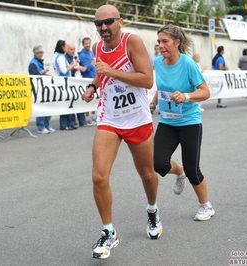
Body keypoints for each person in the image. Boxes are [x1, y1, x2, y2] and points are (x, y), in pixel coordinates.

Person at [82, 4, 161, 259]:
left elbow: (147, 80)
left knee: (147, 174)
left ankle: (152, 210)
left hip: (137, 118)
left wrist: (110, 71)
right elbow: (101, 75)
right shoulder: (96, 48)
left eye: (108, 22)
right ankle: (109, 232)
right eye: (98, 23)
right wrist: (93, 86)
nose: (103, 27)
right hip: (109, 118)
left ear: (120, 22)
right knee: (98, 176)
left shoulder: (132, 42)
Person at [150, 24, 213, 224]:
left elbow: (205, 91)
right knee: (158, 163)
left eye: (165, 41)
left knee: (194, 170)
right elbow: (162, 88)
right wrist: (153, 103)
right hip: (167, 121)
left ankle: (205, 205)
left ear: (177, 43)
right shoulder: (158, 63)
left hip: (189, 122)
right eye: (159, 41)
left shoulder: (188, 64)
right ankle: (179, 171)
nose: (160, 45)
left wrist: (186, 96)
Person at [28, 45, 56, 134]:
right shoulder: (33, 63)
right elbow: (34, 76)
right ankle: (41, 127)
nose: (41, 54)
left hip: (44, 87)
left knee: (48, 106)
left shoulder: (39, 62)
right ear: (35, 53)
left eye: (41, 52)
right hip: (38, 88)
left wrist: (48, 75)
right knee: (42, 107)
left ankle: (47, 125)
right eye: (39, 53)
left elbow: (41, 74)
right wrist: (42, 72)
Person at [52, 39, 79, 130]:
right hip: (63, 81)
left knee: (66, 103)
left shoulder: (57, 56)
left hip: (63, 81)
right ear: (62, 47)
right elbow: (64, 70)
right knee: (66, 103)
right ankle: (65, 124)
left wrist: (71, 64)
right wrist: (74, 64)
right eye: (66, 46)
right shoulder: (60, 57)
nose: (67, 47)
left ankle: (67, 123)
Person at [65, 43, 88, 127]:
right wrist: (76, 68)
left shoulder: (75, 58)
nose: (73, 51)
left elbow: (77, 69)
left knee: (79, 101)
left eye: (74, 49)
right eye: (71, 49)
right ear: (67, 49)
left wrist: (81, 69)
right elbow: (67, 70)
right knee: (72, 102)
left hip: (78, 83)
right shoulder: (65, 59)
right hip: (70, 83)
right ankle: (72, 122)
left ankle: (82, 121)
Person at [78, 37, 97, 126]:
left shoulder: (91, 53)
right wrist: (92, 63)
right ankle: (87, 117)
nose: (88, 45)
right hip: (86, 78)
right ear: (83, 44)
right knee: (87, 97)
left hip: (93, 77)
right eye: (86, 43)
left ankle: (93, 115)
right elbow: (85, 68)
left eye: (89, 43)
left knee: (94, 97)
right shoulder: (82, 55)